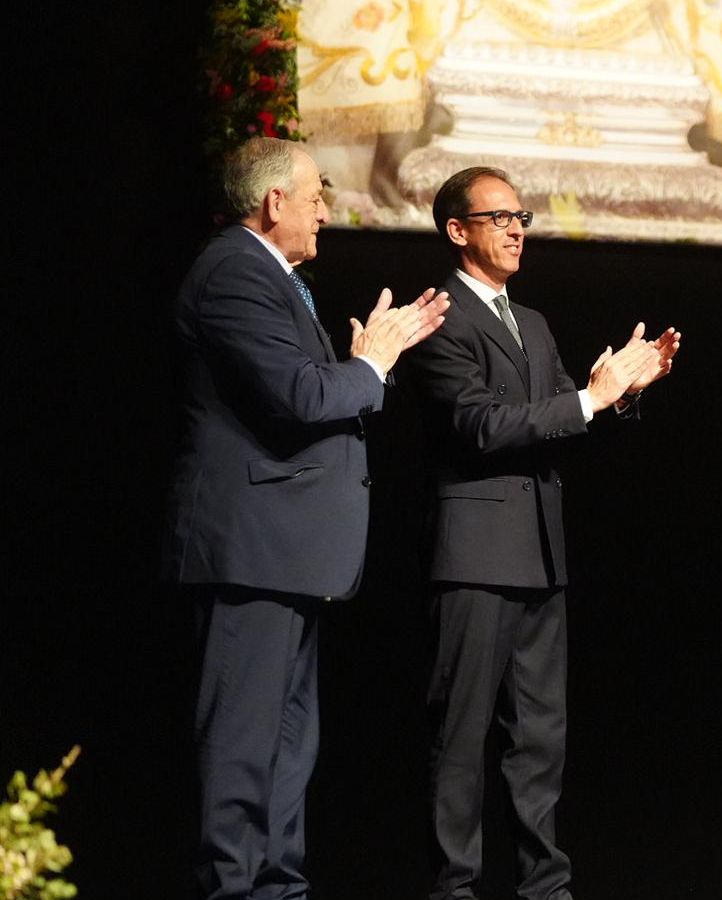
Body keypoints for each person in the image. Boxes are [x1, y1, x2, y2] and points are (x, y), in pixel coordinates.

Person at [163, 136, 450, 899]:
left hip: (286, 555)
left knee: (290, 750)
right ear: (273, 202)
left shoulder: (278, 279)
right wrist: (369, 367)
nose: (327, 209)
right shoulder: (232, 272)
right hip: (248, 551)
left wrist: (353, 366)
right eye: (316, 195)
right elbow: (300, 399)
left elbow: (309, 388)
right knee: (242, 750)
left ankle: (278, 890)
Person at [400, 166, 680, 900]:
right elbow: (479, 426)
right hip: (474, 558)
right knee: (458, 742)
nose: (518, 227)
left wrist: (618, 396)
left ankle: (543, 890)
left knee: (539, 744)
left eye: (521, 215)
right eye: (500, 217)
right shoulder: (436, 316)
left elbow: (563, 419)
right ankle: (453, 888)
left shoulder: (533, 323)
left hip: (541, 556)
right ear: (457, 231)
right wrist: (588, 399)